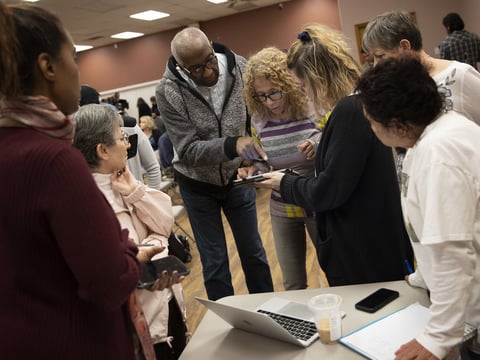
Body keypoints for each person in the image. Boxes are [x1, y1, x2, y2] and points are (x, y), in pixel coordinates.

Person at [0, 3, 141, 359]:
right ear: (48, 67)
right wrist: (126, 248)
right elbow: (108, 284)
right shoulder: (55, 161)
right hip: (76, 342)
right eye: (73, 59)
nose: (78, 73)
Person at [257, 24, 413, 287]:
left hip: (363, 252)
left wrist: (283, 182)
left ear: (318, 78)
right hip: (374, 243)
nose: (303, 92)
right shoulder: (359, 103)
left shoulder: (349, 112)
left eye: (303, 84)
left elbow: (328, 190)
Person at [357, 55, 480, 360]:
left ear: (397, 123)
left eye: (372, 121)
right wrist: (420, 278)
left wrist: (436, 339)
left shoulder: (439, 153)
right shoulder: (432, 136)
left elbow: (452, 249)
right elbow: (428, 228)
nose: (371, 128)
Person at [156, 27, 273, 300]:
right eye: (196, 69)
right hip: (196, 185)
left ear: (211, 47)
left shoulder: (241, 68)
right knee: (215, 263)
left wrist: (248, 157)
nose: (207, 72)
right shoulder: (168, 90)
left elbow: (255, 120)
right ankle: (225, 327)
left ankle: (269, 312)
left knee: (253, 253)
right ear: (183, 68)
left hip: (237, 177)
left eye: (208, 61)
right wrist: (233, 145)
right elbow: (186, 149)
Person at [73, 104, 189, 360]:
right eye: (121, 137)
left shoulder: (124, 181)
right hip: (141, 324)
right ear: (102, 150)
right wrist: (153, 248)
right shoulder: (91, 201)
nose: (127, 145)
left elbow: (164, 226)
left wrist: (135, 192)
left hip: (166, 305)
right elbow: (122, 259)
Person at [241, 46, 320, 290]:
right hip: (282, 208)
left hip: (317, 203)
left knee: (336, 269)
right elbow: (265, 159)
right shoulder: (259, 119)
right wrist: (254, 169)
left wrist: (318, 144)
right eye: (261, 96)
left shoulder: (311, 108)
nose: (269, 102)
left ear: (287, 84)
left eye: (274, 93)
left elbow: (333, 142)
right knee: (293, 284)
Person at [362, 10, 480, 127]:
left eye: (380, 56)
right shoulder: (398, 88)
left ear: (404, 46)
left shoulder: (461, 75)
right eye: (373, 59)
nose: (376, 65)